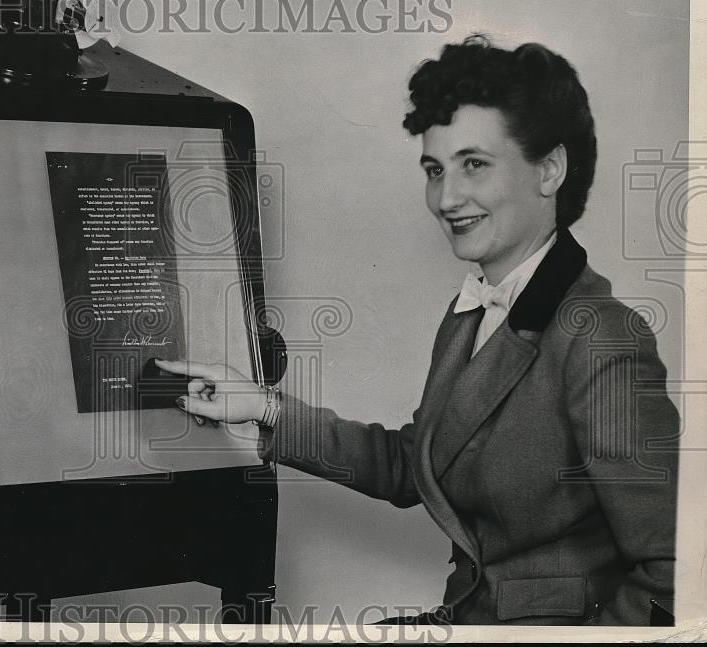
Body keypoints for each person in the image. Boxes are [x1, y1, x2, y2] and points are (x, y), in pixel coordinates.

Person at [156, 35, 679, 626]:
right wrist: (263, 406)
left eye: (474, 165)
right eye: (435, 170)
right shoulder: (471, 314)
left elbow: (677, 573)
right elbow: (417, 465)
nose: (447, 198)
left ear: (550, 170)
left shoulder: (601, 339)